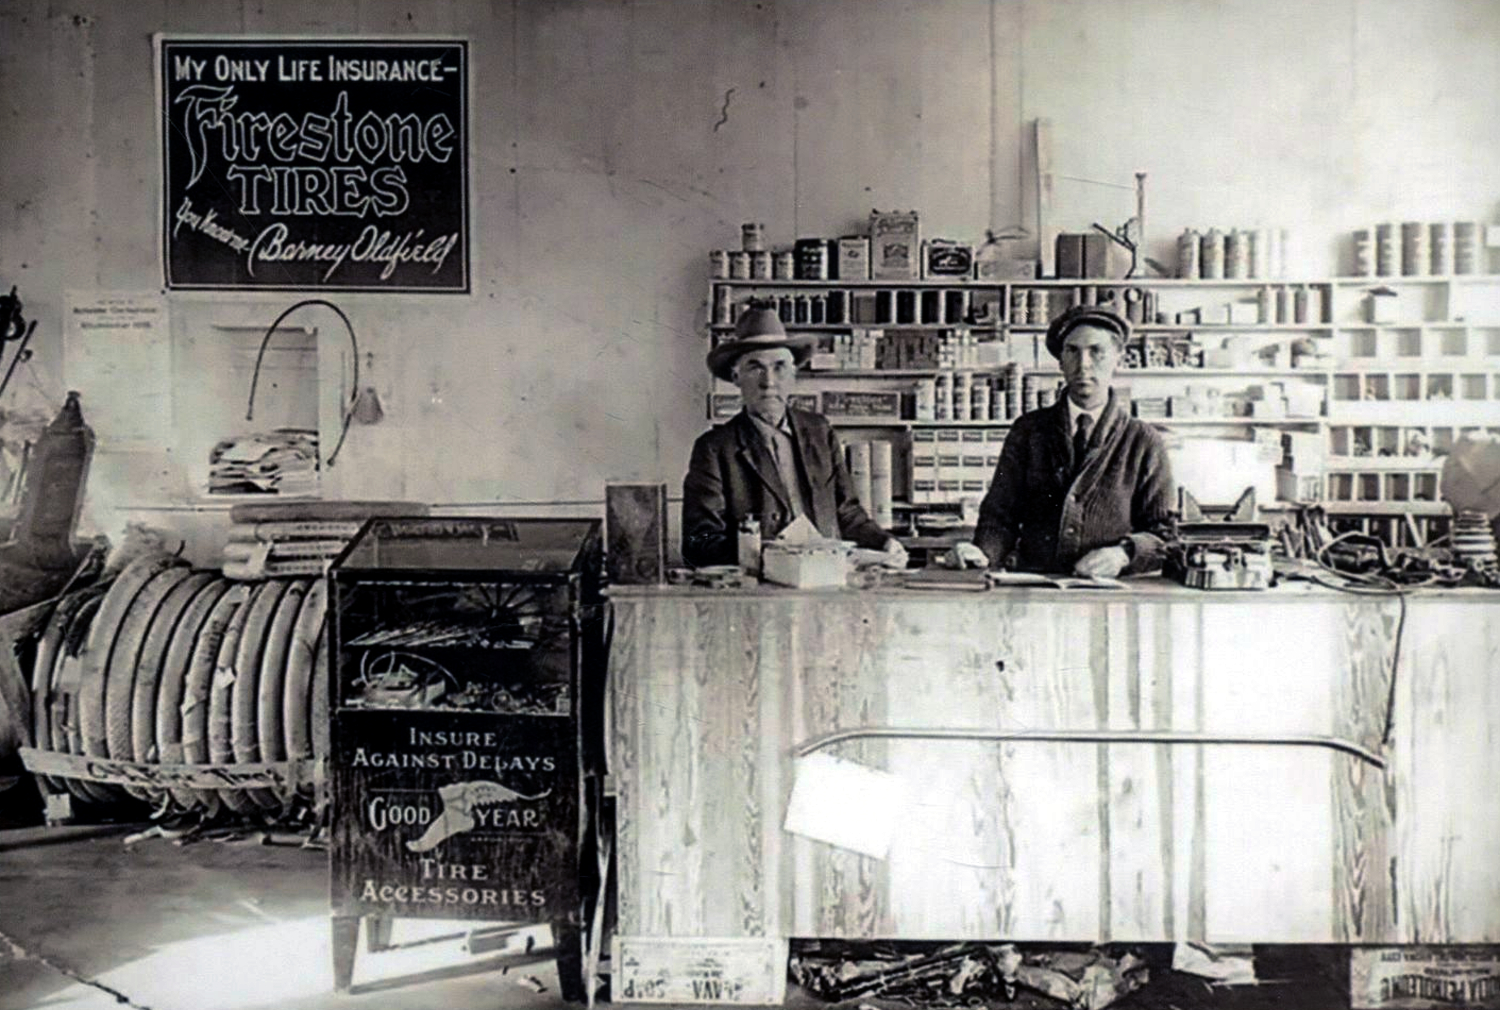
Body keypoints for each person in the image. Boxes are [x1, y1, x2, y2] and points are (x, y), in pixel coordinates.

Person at [949, 305, 1175, 577]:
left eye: (1096, 351)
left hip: (1109, 597)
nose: (1084, 365)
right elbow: (999, 516)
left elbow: (1165, 535)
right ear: (1060, 361)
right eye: (1072, 351)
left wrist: (1123, 553)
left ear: (1119, 358)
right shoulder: (1028, 431)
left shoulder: (1144, 441)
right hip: (1035, 590)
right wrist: (982, 553)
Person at [683, 305, 908, 569]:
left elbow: (846, 512)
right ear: (736, 377)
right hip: (760, 590)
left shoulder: (820, 431)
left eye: (779, 367)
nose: (769, 382)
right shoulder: (715, 448)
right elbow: (698, 541)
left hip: (827, 582)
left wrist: (884, 543)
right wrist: (765, 554)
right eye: (755, 367)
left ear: (794, 374)